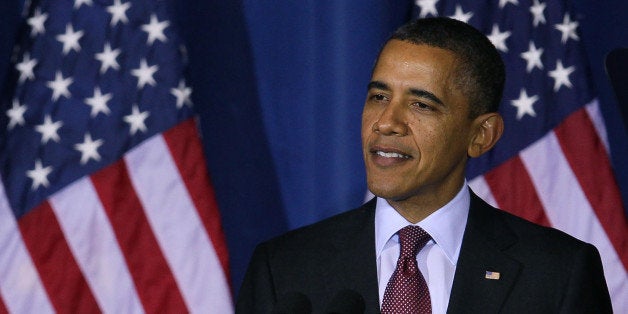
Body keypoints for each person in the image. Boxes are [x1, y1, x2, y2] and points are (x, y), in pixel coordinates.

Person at [236, 17, 612, 313]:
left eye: (421, 104)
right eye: (379, 96)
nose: (386, 122)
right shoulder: (283, 269)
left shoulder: (558, 274)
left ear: (481, 135)